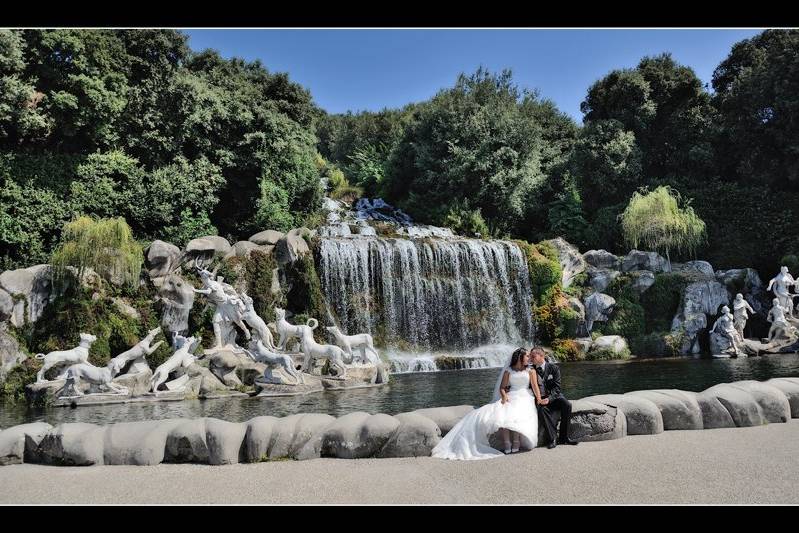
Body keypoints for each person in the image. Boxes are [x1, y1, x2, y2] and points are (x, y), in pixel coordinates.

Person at [431, 347, 541, 460]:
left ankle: (516, 442)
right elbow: (502, 387)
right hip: (511, 395)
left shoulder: (531, 371)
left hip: (525, 396)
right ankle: (507, 443)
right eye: (527, 356)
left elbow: (535, 387)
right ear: (520, 357)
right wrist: (504, 396)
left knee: (518, 414)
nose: (529, 358)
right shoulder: (509, 370)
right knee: (504, 414)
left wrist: (539, 399)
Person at [528, 347, 578, 449]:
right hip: (540, 398)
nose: (531, 358)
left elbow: (557, 388)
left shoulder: (554, 368)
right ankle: (553, 438)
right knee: (542, 410)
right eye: (530, 356)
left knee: (567, 405)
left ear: (541, 356)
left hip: (554, 397)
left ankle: (564, 437)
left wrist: (549, 399)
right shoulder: (531, 370)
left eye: (533, 356)